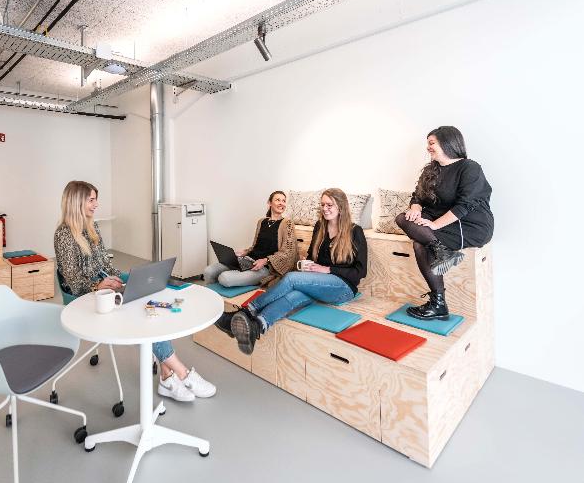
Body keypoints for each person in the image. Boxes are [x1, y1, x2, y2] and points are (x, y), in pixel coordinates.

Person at [54, 180, 216, 402]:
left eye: (95, 200)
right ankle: (181, 373)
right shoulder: (64, 234)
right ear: (77, 202)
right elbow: (72, 280)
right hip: (83, 295)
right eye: (91, 200)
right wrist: (97, 286)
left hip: (105, 287)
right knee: (140, 314)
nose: (96, 204)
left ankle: (167, 376)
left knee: (147, 299)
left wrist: (122, 277)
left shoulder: (92, 227)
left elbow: (106, 265)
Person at [227, 188, 368, 354]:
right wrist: (305, 265)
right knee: (294, 296)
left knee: (291, 278)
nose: (325, 208)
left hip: (343, 288)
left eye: (330, 205)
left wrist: (328, 269)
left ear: (341, 207)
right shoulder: (320, 227)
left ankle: (248, 309)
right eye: (323, 204)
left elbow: (360, 271)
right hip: (318, 283)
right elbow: (311, 257)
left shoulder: (355, 231)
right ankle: (258, 325)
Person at [395, 126, 494, 321]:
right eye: (428, 144)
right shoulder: (430, 170)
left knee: (419, 244)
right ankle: (442, 255)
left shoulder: (469, 167)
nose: (428, 148)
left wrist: (435, 225)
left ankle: (438, 303)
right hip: (440, 223)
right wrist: (415, 209)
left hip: (469, 224)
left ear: (448, 143)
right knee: (402, 217)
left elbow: (466, 205)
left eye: (432, 143)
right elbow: (417, 196)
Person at [204, 191, 297, 287]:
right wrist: (244, 252)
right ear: (269, 203)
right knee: (209, 271)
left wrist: (266, 260)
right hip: (248, 260)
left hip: (265, 267)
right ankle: (212, 293)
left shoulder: (287, 223)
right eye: (278, 200)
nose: (281, 203)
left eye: (283, 201)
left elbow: (288, 252)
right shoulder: (261, 222)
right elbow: (256, 246)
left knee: (225, 278)